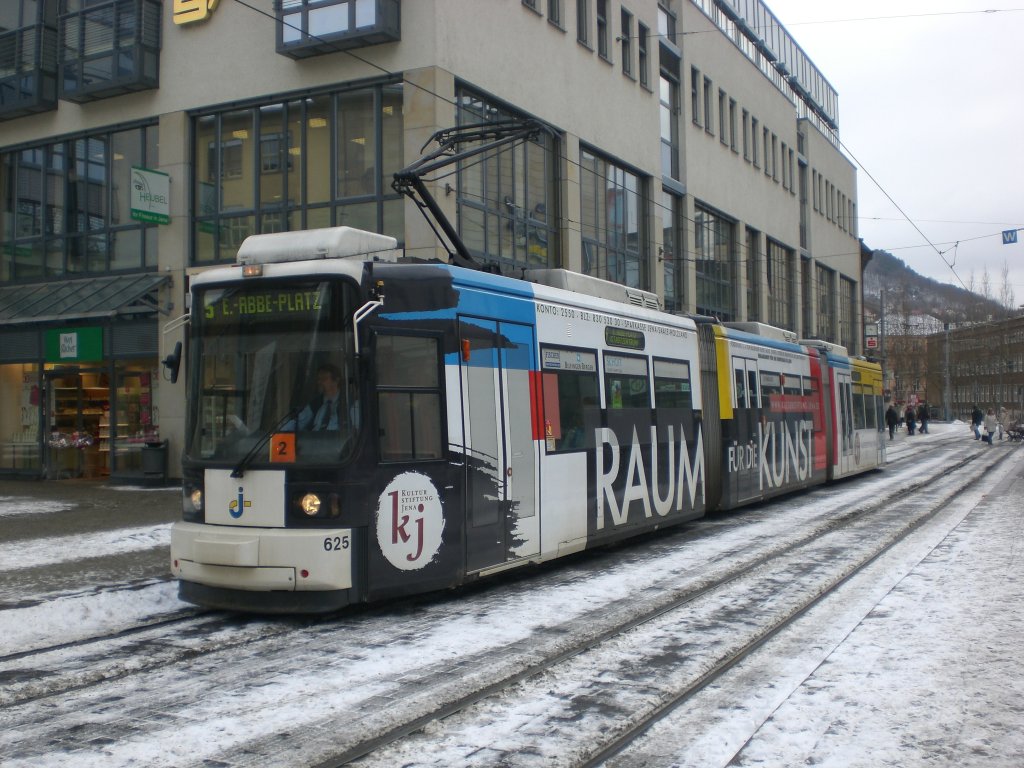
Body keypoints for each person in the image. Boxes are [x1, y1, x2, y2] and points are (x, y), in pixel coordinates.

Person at [294, 363, 345, 431]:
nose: (319, 382)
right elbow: (298, 423)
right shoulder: (315, 404)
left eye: (324, 379)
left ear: (336, 380)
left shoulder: (349, 403)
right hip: (314, 440)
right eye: (319, 379)